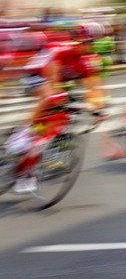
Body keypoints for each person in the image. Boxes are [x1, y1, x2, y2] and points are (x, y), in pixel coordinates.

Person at [4, 33, 106, 194]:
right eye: (82, 42)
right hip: (36, 73)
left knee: (59, 117)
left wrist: (98, 108)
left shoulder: (85, 63)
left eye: (89, 43)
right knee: (51, 96)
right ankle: (24, 130)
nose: (85, 46)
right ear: (76, 41)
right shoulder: (62, 51)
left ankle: (35, 146)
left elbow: (93, 87)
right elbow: (53, 79)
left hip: (56, 82)